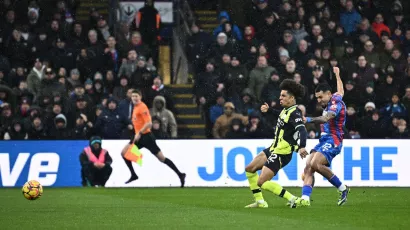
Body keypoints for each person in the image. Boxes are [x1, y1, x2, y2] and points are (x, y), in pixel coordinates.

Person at [244, 79, 308, 208]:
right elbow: (280, 115)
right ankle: (260, 202)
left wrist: (302, 147)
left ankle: (293, 199)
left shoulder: (295, 113)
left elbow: (302, 129)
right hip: (273, 148)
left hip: (282, 153)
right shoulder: (286, 110)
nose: (280, 98)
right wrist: (269, 110)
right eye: (280, 95)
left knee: (262, 181)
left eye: (283, 96)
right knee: (249, 169)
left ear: (292, 98)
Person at [298, 67, 350, 207]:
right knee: (309, 166)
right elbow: (341, 90)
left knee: (315, 164)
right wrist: (338, 75)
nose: (319, 100)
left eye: (321, 97)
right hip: (323, 140)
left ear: (328, 94)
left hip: (334, 139)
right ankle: (305, 199)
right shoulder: (336, 97)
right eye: (317, 98)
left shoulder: (335, 105)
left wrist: (307, 120)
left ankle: (343, 188)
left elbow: (326, 118)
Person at [121, 90, 186, 187]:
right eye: (133, 96)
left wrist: (139, 133)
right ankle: (134, 174)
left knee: (162, 158)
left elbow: (149, 123)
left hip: (146, 137)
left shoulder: (142, 107)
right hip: (139, 137)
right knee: (124, 153)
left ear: (140, 97)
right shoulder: (135, 107)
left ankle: (180, 174)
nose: (134, 98)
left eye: (136, 96)